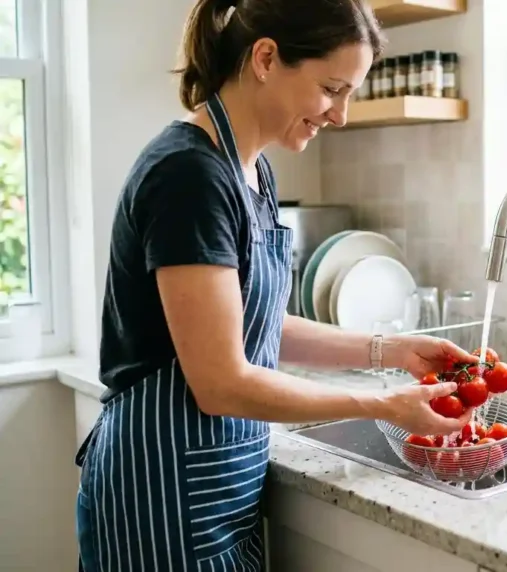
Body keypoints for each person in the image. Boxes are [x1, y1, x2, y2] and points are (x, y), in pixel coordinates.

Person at [74, 0, 476, 570]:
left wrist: (387, 349)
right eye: (332, 88)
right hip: (158, 488)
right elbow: (220, 382)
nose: (338, 115)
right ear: (266, 58)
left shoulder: (250, 168)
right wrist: (380, 403)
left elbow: (252, 322)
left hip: (216, 488)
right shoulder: (189, 175)